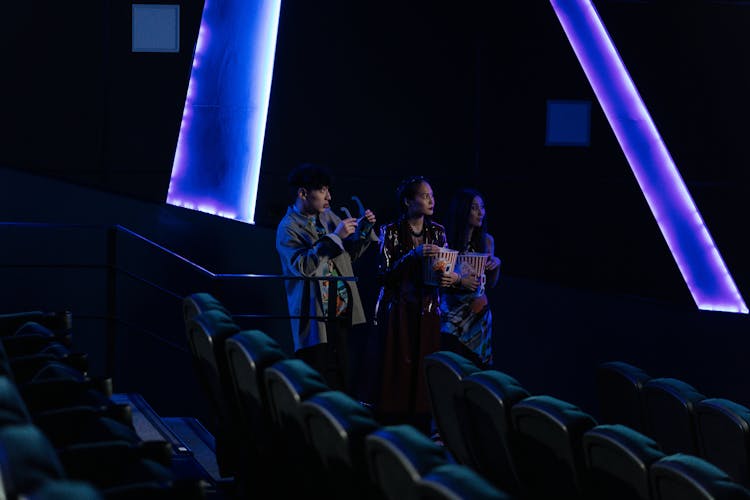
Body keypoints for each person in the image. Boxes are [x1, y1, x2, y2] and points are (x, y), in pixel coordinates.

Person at [276, 163, 377, 393]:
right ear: (303, 193)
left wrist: (362, 231)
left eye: (328, 190)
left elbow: (347, 256)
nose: (329, 197)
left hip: (340, 312)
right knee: (316, 381)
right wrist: (334, 236)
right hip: (315, 317)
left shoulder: (328, 216)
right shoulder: (288, 227)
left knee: (342, 379)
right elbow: (303, 266)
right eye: (323, 191)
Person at [375, 176, 459, 430]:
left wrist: (449, 275)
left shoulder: (438, 232)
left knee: (424, 367)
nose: (431, 200)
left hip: (428, 309)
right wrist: (413, 255)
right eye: (424, 195)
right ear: (408, 201)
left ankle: (422, 423)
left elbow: (445, 269)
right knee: (397, 367)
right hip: (399, 309)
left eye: (431, 195)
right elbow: (384, 274)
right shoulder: (390, 231)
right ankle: (393, 423)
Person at [440, 188, 500, 368]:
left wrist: (497, 264)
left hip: (478, 313)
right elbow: (439, 278)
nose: (480, 212)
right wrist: (461, 281)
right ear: (463, 210)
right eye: (475, 208)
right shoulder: (446, 238)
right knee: (450, 364)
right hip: (451, 311)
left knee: (474, 367)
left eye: (482, 207)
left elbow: (489, 284)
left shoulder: (487, 241)